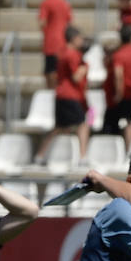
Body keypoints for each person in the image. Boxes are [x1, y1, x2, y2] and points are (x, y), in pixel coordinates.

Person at [34, 26, 91, 168]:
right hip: (70, 95)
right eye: (79, 38)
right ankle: (83, 156)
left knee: (59, 127)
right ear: (73, 39)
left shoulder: (62, 53)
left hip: (61, 94)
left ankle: (40, 155)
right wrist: (85, 67)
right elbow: (76, 77)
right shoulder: (72, 54)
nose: (81, 41)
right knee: (83, 125)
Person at [103, 25, 131, 150]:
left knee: (128, 123)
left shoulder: (118, 55)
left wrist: (118, 94)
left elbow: (118, 75)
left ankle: (130, 150)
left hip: (126, 95)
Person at [38, 0, 72, 91]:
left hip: (51, 42)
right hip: (63, 41)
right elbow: (69, 20)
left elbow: (42, 22)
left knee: (50, 70)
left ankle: (53, 93)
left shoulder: (46, 3)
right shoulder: (64, 2)